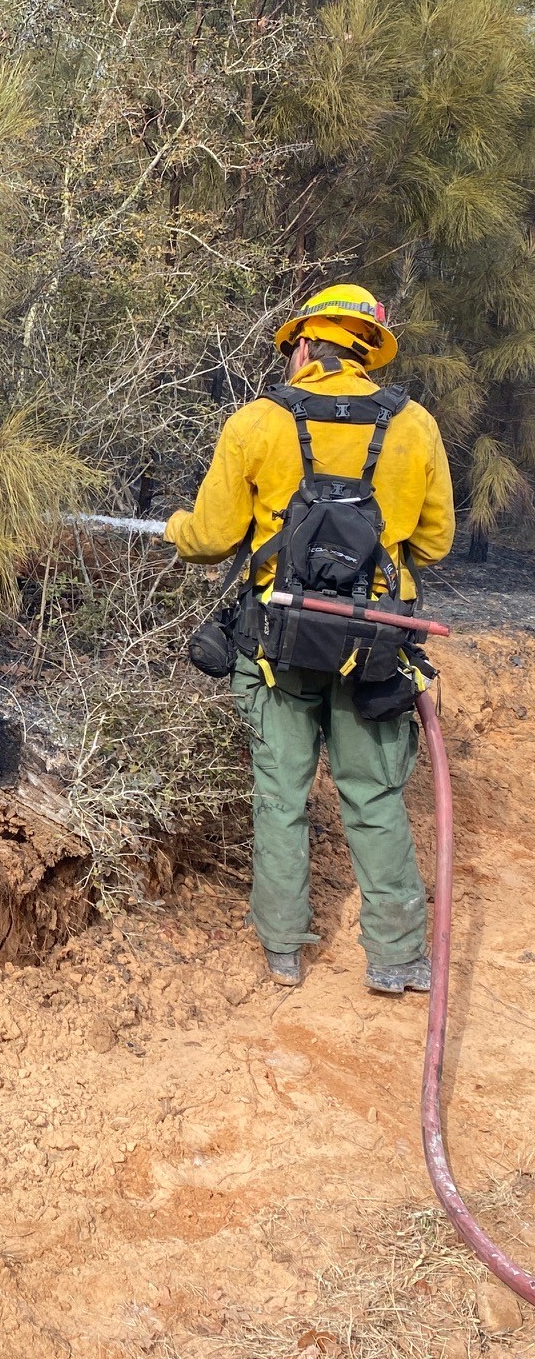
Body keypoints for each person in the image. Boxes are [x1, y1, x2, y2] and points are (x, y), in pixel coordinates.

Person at [164, 285, 456, 992]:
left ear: (304, 346)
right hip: (376, 650)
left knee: (282, 795)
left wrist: (176, 529)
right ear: (366, 352)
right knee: (375, 798)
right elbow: (438, 543)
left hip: (276, 648)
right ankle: (397, 958)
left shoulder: (259, 422)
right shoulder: (415, 425)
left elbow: (209, 539)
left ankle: (284, 948)